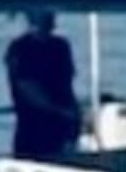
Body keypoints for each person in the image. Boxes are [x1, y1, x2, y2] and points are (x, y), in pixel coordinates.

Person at [4, 11, 83, 159]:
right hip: (33, 128)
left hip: (62, 127)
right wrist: (59, 110)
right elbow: (26, 87)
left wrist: (75, 117)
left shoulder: (61, 46)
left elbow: (67, 84)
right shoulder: (19, 49)